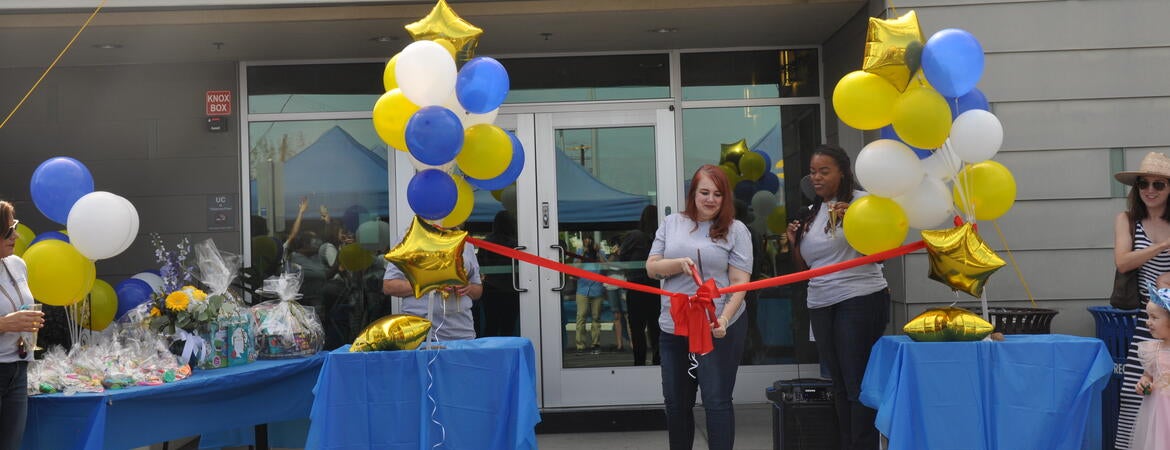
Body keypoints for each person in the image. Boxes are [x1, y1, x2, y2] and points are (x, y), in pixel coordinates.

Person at [785, 144, 889, 450]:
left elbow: (880, 253)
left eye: (824, 171)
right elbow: (807, 267)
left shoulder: (862, 203)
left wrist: (858, 220)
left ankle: (864, 445)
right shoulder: (812, 211)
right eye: (812, 171)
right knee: (839, 384)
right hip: (820, 302)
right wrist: (794, 242)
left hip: (858, 297)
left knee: (856, 383)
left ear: (842, 172)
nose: (816, 178)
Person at [646, 165, 752, 450]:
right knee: (676, 402)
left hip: (716, 325)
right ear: (693, 193)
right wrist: (678, 264)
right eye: (704, 192)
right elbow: (651, 268)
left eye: (717, 194)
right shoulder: (671, 223)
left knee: (716, 400)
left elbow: (740, 282)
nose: (710, 199)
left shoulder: (737, 229)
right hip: (675, 324)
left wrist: (724, 320)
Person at [1113, 151, 1170, 449]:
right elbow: (1123, 261)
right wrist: (1161, 245)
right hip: (1145, 321)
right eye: (1143, 183)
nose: (1149, 189)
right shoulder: (1127, 220)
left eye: (1158, 185)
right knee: (1137, 393)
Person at [0, 200, 46, 450]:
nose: (16, 235)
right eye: (8, 231)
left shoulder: (17, 264)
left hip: (18, 369)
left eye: (14, 227)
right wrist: (5, 324)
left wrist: (28, 324)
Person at [382, 238, 483, 341]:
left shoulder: (466, 242)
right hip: (420, 333)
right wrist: (430, 283)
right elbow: (389, 286)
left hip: (462, 332)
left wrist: (468, 287)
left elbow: (478, 291)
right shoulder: (410, 238)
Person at [621, 205, 661, 365]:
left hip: (637, 287)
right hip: (656, 288)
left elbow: (622, 257)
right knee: (656, 328)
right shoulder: (659, 237)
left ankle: (639, 362)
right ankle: (658, 361)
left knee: (637, 328)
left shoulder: (635, 236)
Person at [1134, 274, 1170, 450]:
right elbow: (1147, 376)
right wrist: (1144, 383)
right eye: (1148, 317)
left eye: (1154, 318)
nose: (1148, 322)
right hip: (1158, 414)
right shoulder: (1153, 350)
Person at [480, 211, 521, 337]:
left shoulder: (486, 242)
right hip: (511, 289)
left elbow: (480, 264)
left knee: (491, 326)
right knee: (508, 328)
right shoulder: (516, 244)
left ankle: (489, 355)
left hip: (491, 289)